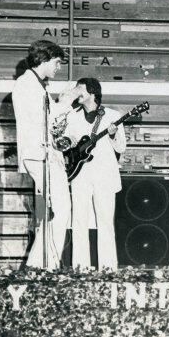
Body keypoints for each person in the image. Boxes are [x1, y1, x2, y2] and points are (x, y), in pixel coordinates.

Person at [12, 40, 83, 270]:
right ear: (43, 59)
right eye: (57, 62)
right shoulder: (27, 84)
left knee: (59, 211)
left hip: (41, 154)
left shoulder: (34, 85)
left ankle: (38, 265)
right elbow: (46, 118)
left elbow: (49, 118)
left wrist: (62, 104)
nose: (59, 68)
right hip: (40, 154)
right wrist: (67, 100)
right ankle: (45, 266)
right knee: (62, 210)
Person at [62, 78, 127, 270]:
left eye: (79, 88)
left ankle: (108, 269)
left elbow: (121, 147)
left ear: (92, 92)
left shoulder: (112, 115)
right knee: (78, 221)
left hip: (104, 176)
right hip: (79, 174)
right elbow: (67, 143)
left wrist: (113, 134)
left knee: (105, 222)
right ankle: (80, 268)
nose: (75, 91)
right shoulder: (71, 116)